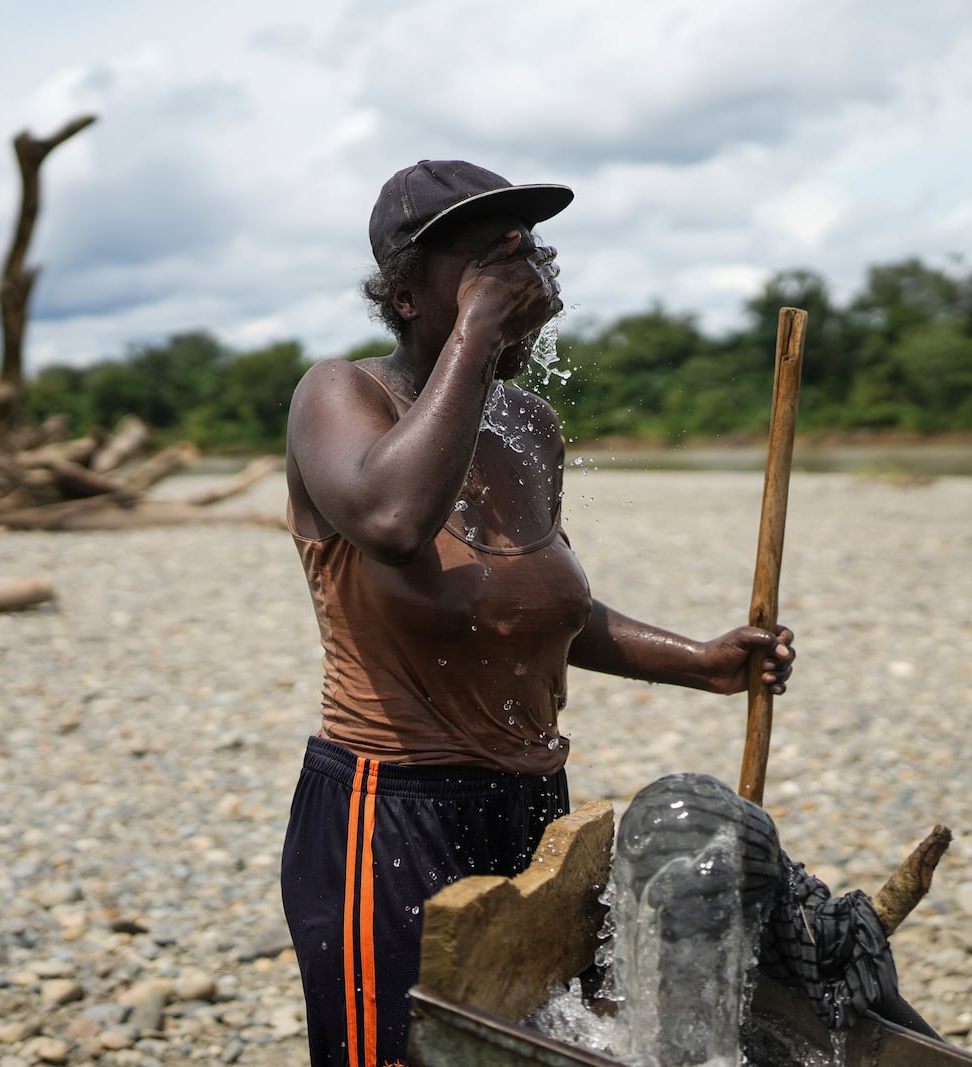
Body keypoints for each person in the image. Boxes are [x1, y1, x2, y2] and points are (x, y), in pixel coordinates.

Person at [279, 160, 796, 1067]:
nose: (524, 277)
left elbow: (540, 608)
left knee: (533, 1043)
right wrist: (476, 337)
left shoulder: (526, 424)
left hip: (529, 805)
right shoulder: (340, 396)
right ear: (404, 294)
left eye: (529, 252)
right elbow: (395, 523)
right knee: (399, 1051)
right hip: (389, 809)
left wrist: (702, 661)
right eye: (487, 264)